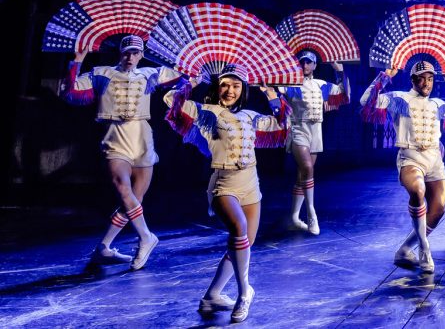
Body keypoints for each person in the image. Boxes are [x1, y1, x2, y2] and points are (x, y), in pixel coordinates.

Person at [165, 65, 289, 322]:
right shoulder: (207, 112)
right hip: (224, 184)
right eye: (225, 85)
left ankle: (212, 295)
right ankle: (245, 293)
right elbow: (171, 101)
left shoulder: (251, 116)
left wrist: (271, 95)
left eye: (236, 86)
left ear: (243, 89)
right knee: (239, 229)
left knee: (242, 244)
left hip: (251, 183)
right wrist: (191, 82)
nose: (230, 90)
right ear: (217, 87)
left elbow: (282, 123)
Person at [61, 33, 182, 269]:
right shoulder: (102, 73)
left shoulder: (150, 74)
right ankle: (146, 237)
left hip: (142, 136)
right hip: (115, 136)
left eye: (135, 53)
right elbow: (70, 90)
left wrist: (190, 65)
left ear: (141, 55)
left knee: (135, 199)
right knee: (123, 188)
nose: (130, 57)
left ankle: (104, 247)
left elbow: (182, 75)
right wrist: (77, 60)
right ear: (120, 53)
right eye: (127, 52)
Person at [359, 60, 445, 274]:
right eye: (421, 79)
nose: (426, 83)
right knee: (418, 191)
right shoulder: (399, 99)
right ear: (412, 80)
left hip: (434, 160)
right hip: (410, 158)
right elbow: (366, 101)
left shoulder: (437, 104)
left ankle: (404, 249)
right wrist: (385, 77)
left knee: (438, 210)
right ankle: (424, 249)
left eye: (430, 79)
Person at [282, 50, 349, 234]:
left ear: (314, 65)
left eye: (308, 62)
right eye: (302, 62)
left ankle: (294, 217)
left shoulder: (321, 85)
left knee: (303, 174)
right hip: (298, 128)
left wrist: (340, 71)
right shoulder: (291, 84)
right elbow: (273, 88)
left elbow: (343, 93)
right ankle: (312, 213)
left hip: (316, 130)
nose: (305, 65)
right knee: (307, 168)